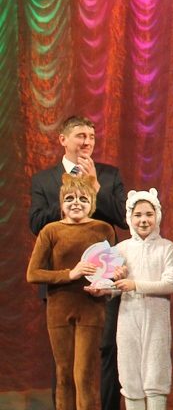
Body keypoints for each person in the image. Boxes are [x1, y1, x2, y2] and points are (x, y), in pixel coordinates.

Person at [29, 115, 128, 410]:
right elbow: (35, 222)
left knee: (106, 351)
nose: (87, 142)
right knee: (64, 363)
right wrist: (69, 202)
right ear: (63, 139)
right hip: (61, 288)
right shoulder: (43, 180)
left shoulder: (109, 175)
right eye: (80, 136)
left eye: (91, 137)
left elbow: (124, 219)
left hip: (101, 285)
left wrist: (95, 188)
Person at [27, 174, 116, 410]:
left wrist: (106, 285)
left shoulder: (103, 229)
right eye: (70, 198)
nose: (76, 202)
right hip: (59, 310)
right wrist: (70, 274)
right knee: (64, 375)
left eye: (83, 198)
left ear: (92, 203)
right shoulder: (50, 231)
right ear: (61, 202)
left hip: (91, 309)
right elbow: (33, 273)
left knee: (84, 375)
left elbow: (111, 270)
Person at [111, 189, 173, 410]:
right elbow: (112, 288)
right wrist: (108, 285)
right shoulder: (121, 249)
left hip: (156, 320)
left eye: (149, 214)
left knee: (156, 370)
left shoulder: (165, 247)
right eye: (138, 215)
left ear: (157, 215)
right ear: (129, 217)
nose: (144, 220)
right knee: (129, 370)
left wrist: (135, 285)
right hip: (128, 318)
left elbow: (171, 283)